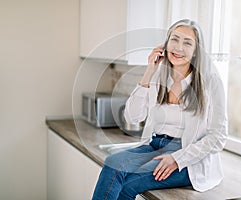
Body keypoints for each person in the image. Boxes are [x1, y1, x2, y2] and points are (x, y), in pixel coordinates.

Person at [92, 19, 228, 200]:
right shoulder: (158, 75)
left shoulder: (210, 81)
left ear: (196, 52)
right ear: (166, 43)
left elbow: (218, 137)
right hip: (155, 146)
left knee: (128, 184)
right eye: (175, 39)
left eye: (187, 43)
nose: (178, 48)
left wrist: (177, 159)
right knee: (112, 164)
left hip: (188, 157)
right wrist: (149, 71)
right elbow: (132, 117)